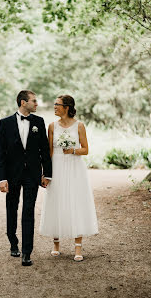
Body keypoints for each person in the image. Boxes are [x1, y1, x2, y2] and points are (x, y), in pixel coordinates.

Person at [39, 95, 98, 261]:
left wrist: (72, 150)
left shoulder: (79, 126)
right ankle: (56, 244)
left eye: (57, 105)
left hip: (74, 168)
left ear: (67, 107)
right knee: (56, 201)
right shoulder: (51, 126)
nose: (54, 107)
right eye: (54, 104)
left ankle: (78, 248)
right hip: (56, 167)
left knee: (76, 202)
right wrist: (46, 173)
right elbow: (49, 152)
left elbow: (85, 149)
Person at [0, 90, 52, 266]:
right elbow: (1, 153)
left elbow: (44, 150)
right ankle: (13, 242)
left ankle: (27, 252)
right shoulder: (5, 123)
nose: (36, 104)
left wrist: (47, 173)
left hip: (32, 175)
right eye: (34, 101)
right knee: (12, 208)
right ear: (23, 102)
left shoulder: (39, 122)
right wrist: (2, 178)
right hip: (12, 175)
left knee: (28, 211)